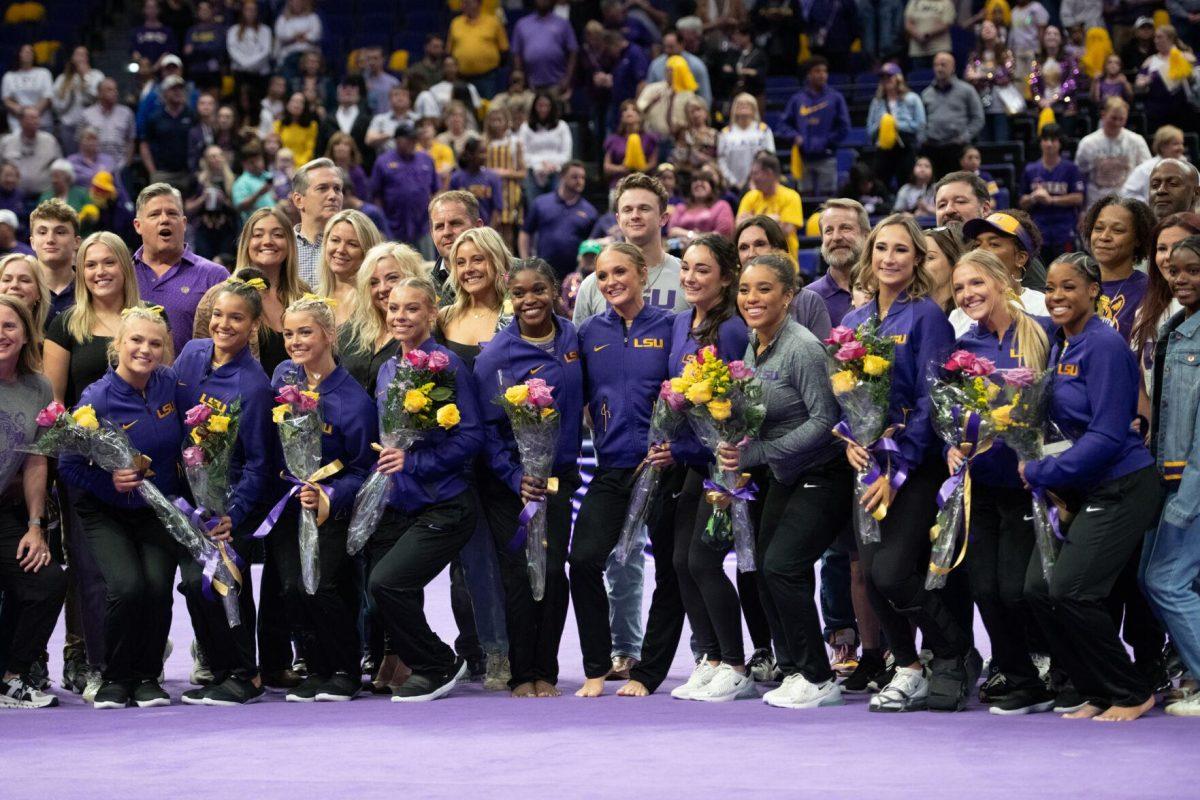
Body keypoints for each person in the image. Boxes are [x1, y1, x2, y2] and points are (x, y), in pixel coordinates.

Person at [1019, 252, 1163, 722]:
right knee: (1040, 590)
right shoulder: (1063, 343)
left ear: (1093, 291)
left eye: (1069, 288)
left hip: (1122, 485)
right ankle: (1097, 688)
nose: (1057, 296)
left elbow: (1106, 434)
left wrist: (1041, 473)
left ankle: (1130, 690)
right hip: (1084, 489)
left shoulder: (1103, 345)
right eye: (1052, 288)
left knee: (1072, 591)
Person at [841, 213, 971, 712]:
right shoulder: (854, 322)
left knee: (893, 572)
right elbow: (844, 395)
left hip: (914, 470)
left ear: (917, 258)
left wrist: (897, 471)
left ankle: (954, 647)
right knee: (872, 575)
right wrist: (849, 440)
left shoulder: (927, 317)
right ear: (869, 257)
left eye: (901, 250)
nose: (889, 258)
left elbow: (932, 402)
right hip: (866, 469)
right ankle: (910, 667)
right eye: (881, 249)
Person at [708, 251, 847, 708]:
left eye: (764, 289)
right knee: (764, 569)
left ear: (789, 296)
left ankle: (818, 676)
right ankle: (792, 670)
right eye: (745, 290)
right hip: (783, 477)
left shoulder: (804, 347)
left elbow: (825, 419)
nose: (752, 297)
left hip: (822, 475)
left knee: (783, 567)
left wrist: (762, 451)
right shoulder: (755, 342)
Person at [947, 248, 1056, 713]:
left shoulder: (1044, 333)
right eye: (958, 288)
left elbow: (1064, 408)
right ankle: (1019, 676)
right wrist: (951, 443)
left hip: (1032, 489)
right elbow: (954, 415)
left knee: (1017, 588)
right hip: (982, 488)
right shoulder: (964, 350)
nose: (968, 294)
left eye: (976, 283)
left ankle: (1058, 667)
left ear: (1001, 281)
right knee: (983, 589)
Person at [364, 276, 483, 701]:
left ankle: (438, 663)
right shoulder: (387, 368)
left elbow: (471, 438)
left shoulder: (447, 365)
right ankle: (414, 662)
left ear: (432, 312)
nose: (400, 316)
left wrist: (413, 463)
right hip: (400, 505)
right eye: (394, 308)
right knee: (380, 588)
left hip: (446, 505)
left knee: (386, 583)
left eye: (411, 308)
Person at [58, 306, 181, 709]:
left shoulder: (169, 384)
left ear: (165, 349)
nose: (145, 349)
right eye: (136, 340)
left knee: (159, 587)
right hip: (104, 511)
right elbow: (68, 464)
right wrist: (108, 481)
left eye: (155, 343)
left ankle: (147, 676)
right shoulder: (96, 398)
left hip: (156, 508)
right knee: (127, 587)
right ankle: (114, 675)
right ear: (117, 345)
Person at [649, 235, 753, 702]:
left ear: (726, 277)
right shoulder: (678, 323)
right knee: (679, 561)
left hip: (726, 465)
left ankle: (735, 663)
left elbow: (737, 406)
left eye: (703, 270)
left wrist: (712, 450)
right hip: (693, 461)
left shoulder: (731, 328)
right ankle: (710, 658)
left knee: (703, 561)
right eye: (686, 268)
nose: (690, 277)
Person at [473, 258, 583, 697]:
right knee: (521, 575)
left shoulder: (573, 337)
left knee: (554, 572)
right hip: (511, 488)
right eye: (519, 293)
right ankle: (522, 674)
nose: (529, 300)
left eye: (538, 289)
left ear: (555, 290)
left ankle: (547, 671)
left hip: (559, 478)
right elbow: (486, 429)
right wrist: (515, 476)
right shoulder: (496, 356)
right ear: (509, 298)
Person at [571, 243, 674, 698]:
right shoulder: (588, 332)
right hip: (614, 467)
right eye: (602, 274)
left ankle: (647, 672)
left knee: (674, 569)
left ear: (642, 275)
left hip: (666, 468)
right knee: (583, 560)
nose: (610, 281)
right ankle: (596, 667)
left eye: (620, 272)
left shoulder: (673, 328)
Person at [174, 278, 274, 706]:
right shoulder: (192, 353)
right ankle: (218, 669)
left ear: (252, 325)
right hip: (187, 499)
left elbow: (259, 462)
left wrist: (234, 510)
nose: (223, 324)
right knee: (196, 585)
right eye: (218, 314)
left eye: (236, 317)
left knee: (226, 584)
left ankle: (245, 674)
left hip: (228, 507)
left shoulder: (254, 384)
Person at [269, 295, 374, 702]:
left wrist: (330, 493)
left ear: (329, 335)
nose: (295, 341)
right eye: (289, 334)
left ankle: (345, 669)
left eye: (306, 332)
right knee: (294, 587)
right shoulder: (283, 382)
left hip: (333, 512)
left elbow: (365, 468)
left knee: (327, 587)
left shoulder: (354, 400)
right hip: (289, 506)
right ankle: (315, 667)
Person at [0, 295, 66, 709]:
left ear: (25, 334)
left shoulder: (38, 386)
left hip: (8, 515)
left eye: (9, 326)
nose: (1, 334)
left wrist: (35, 526)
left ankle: (11, 675)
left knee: (46, 581)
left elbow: (36, 462)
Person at [1144, 234, 1200, 717]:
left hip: (1191, 482)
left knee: (1166, 579)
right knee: (1156, 576)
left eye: (1193, 270)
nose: (1180, 278)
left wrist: (1187, 498)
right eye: (1174, 270)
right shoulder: (1177, 327)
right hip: (1167, 474)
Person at [573, 173, 688, 322]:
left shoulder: (687, 278)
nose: (635, 215)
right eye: (627, 210)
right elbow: (579, 343)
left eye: (644, 208)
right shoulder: (594, 284)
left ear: (663, 218)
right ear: (618, 220)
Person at [131, 183, 228, 355]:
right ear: (138, 226)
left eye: (172, 213)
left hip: (195, 381)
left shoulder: (214, 276)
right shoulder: (124, 274)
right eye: (154, 214)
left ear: (183, 223)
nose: (164, 219)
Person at [734, 216, 832, 340]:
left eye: (760, 244)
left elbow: (823, 356)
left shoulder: (808, 302)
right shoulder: (734, 305)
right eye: (743, 247)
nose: (751, 253)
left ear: (779, 250)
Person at [954, 211, 1050, 334]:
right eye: (977, 245)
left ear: (1020, 258)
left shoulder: (1043, 307)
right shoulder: (959, 315)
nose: (980, 251)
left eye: (994, 244)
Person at [1082, 195, 1156, 342]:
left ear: (1138, 239)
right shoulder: (1075, 284)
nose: (1104, 236)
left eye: (1117, 230)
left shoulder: (1149, 291)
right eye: (1098, 228)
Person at [778, 58, 849, 196]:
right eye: (817, 71)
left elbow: (844, 127)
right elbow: (783, 125)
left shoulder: (835, 98)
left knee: (827, 201)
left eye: (824, 71)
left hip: (827, 157)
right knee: (805, 199)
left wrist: (828, 141)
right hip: (803, 158)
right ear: (809, 74)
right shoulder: (797, 99)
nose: (822, 75)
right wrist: (795, 136)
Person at [370, 120, 439, 258]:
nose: (412, 142)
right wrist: (382, 224)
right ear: (397, 140)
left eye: (414, 139)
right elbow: (375, 195)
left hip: (423, 226)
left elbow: (435, 191)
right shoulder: (383, 161)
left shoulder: (426, 159)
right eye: (408, 139)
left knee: (427, 269)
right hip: (393, 227)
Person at [520, 161, 599, 280]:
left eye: (583, 177)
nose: (580, 181)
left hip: (576, 276)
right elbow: (525, 233)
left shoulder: (590, 211)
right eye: (575, 177)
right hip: (543, 273)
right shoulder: (541, 203)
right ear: (562, 176)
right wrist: (525, 262)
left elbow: (594, 243)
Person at [1020, 124, 1086, 262]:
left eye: (1053, 140)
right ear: (1040, 142)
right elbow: (1021, 202)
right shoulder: (1030, 169)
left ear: (1060, 143)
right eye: (1045, 139)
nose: (1049, 144)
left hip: (1065, 230)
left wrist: (1051, 200)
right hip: (1039, 231)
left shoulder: (1071, 169)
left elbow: (1078, 198)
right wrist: (1033, 197)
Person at [1075, 98, 1152, 210]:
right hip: (1096, 203)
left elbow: (1147, 172)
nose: (1117, 123)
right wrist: (1081, 210)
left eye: (1121, 119)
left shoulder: (1136, 141)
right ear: (1103, 114)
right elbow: (1080, 176)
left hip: (1128, 203)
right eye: (1113, 118)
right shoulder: (1088, 143)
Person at [921, 53, 986, 179]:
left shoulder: (967, 90)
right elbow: (921, 120)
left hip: (958, 148)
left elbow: (978, 118)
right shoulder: (926, 93)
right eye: (936, 65)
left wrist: (965, 137)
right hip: (933, 148)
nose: (939, 68)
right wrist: (923, 137)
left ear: (953, 67)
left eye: (943, 65)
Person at [316, 209, 383, 326]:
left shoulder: (377, 299)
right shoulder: (313, 297)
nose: (341, 250)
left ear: (367, 251)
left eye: (352, 244)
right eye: (335, 240)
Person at [735, 152, 804, 260]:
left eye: (756, 173)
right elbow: (739, 227)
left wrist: (752, 219)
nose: (752, 178)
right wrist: (773, 219)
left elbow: (784, 231)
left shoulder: (791, 196)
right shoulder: (749, 197)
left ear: (769, 173)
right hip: (752, 261)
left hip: (784, 263)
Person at [290, 157, 345, 286]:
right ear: (298, 200)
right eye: (322, 188)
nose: (333, 196)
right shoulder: (283, 247)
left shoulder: (354, 246)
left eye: (337, 189)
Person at [1134, 25, 1197, 133]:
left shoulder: (1187, 57)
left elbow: (1196, 81)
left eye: (1159, 37)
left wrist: (1190, 75)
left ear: (1170, 38)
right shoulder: (1150, 61)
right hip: (1157, 111)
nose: (1155, 40)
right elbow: (1138, 85)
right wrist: (1142, 83)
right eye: (1155, 37)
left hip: (1182, 110)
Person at [29, 199, 81, 326]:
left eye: (60, 232)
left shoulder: (91, 287)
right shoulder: (20, 288)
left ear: (76, 242)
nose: (50, 239)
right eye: (42, 232)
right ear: (32, 242)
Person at [965, 21, 1018, 143]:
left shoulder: (1005, 53)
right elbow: (969, 76)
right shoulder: (975, 55)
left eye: (991, 26)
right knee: (984, 143)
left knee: (1001, 141)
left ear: (997, 31)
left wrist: (981, 75)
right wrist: (987, 76)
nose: (987, 29)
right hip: (981, 103)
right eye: (984, 27)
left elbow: (1007, 75)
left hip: (1001, 104)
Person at [511, 0, 578, 96]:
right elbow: (516, 53)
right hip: (530, 86)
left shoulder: (563, 24)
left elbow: (573, 52)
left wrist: (567, 79)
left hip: (556, 85)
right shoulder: (522, 24)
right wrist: (520, 80)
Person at [141, 76, 197, 187]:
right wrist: (152, 171)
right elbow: (144, 144)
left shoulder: (192, 115)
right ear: (164, 93)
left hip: (187, 173)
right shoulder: (155, 117)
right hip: (162, 174)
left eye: (180, 89)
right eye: (173, 89)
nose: (178, 92)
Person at [185, 146, 239, 261]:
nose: (216, 159)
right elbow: (187, 209)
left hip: (226, 229)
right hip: (203, 229)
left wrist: (223, 201)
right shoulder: (197, 180)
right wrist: (203, 199)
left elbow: (238, 208)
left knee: (225, 264)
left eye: (219, 155)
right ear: (205, 160)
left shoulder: (233, 180)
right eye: (212, 156)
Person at [447, 0, 509, 98]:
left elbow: (504, 49)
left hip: (487, 77)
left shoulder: (493, 22)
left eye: (468, 2)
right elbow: (449, 50)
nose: (464, 5)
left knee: (487, 107)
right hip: (461, 77)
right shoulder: (456, 23)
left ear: (479, 3)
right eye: (463, 2)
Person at [717, 93, 774, 195]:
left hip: (758, 184)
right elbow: (721, 161)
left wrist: (754, 179)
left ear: (754, 108)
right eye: (740, 104)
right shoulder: (725, 133)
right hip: (731, 186)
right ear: (734, 108)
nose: (743, 106)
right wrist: (733, 182)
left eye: (747, 104)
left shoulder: (763, 130)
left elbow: (770, 157)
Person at [0, 107, 62, 199]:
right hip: (12, 196)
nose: (35, 121)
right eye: (31, 118)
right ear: (20, 121)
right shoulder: (7, 142)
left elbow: (59, 167)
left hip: (44, 196)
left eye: (37, 118)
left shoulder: (50, 140)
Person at [51, 46, 103, 152]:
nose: (80, 58)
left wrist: (85, 77)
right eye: (77, 55)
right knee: (71, 158)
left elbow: (96, 99)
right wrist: (70, 96)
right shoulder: (62, 79)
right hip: (68, 126)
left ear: (87, 58)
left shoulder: (96, 75)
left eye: (83, 55)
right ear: (72, 58)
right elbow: (56, 106)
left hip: (90, 126)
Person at [1120, 125, 1188, 206]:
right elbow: (1127, 193)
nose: (1181, 148)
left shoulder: (1186, 166)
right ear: (1163, 146)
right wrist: (1147, 203)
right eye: (1176, 144)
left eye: (1181, 143)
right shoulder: (1146, 168)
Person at [226, 0, 272, 117]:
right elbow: (232, 50)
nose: (250, 13)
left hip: (259, 75)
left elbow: (265, 51)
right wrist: (245, 64)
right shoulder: (233, 30)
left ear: (257, 12)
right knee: (240, 103)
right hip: (240, 74)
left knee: (258, 104)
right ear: (242, 11)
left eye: (253, 10)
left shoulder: (265, 30)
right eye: (247, 9)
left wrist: (249, 64)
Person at [645, 29, 714, 106]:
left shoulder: (696, 66)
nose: (667, 50)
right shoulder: (656, 65)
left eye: (671, 47)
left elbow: (705, 97)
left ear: (681, 45)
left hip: (688, 111)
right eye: (665, 47)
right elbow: (648, 94)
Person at [80, 79, 136, 171]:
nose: (115, 93)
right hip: (94, 168)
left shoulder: (126, 113)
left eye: (115, 89)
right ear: (99, 93)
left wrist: (127, 163)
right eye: (109, 90)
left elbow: (131, 140)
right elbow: (80, 142)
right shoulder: (86, 115)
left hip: (120, 166)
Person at [448, 137, 505, 228]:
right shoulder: (456, 178)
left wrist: (487, 233)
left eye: (485, 152)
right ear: (470, 154)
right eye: (481, 153)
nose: (485, 156)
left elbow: (497, 210)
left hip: (485, 231)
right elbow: (451, 208)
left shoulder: (493, 178)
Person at [315, 77, 371, 168]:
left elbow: (369, 152)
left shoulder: (367, 120)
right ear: (337, 93)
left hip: (359, 172)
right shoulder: (327, 120)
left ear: (358, 93)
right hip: (331, 170)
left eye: (352, 87)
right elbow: (319, 149)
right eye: (344, 87)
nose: (348, 90)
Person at [668, 166, 734, 240]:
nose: (698, 183)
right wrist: (691, 234)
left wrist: (697, 238)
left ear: (711, 187)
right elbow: (672, 231)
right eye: (695, 181)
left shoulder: (721, 206)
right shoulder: (681, 207)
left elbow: (723, 234)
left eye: (703, 180)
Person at [603, 101, 659, 187]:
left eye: (633, 109)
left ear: (640, 116)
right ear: (621, 117)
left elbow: (653, 163)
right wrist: (622, 169)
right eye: (625, 110)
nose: (629, 112)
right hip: (619, 184)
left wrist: (640, 170)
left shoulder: (649, 139)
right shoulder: (613, 139)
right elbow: (607, 166)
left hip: (643, 184)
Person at [2, 44, 53, 133]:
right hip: (17, 124)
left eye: (30, 52)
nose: (28, 54)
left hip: (42, 123)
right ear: (19, 54)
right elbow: (6, 100)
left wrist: (32, 115)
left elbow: (47, 97)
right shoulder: (9, 76)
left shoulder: (44, 73)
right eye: (25, 52)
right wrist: (22, 113)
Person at [0, 254, 50, 333]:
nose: (14, 285)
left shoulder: (51, 339)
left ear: (39, 292)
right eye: (7, 280)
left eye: (24, 280)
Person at [366, 86, 418, 158]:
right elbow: (369, 140)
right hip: (387, 161)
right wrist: (393, 134)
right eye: (396, 95)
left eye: (404, 95)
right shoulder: (380, 119)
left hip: (413, 160)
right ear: (390, 100)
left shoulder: (417, 119)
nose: (400, 98)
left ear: (409, 100)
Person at [925, 222, 965, 312]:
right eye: (918, 258)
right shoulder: (909, 310)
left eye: (929, 258)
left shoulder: (970, 312)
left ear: (953, 262)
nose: (920, 264)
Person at [273, 93, 318, 166]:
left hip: (302, 165)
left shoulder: (312, 126)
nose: (297, 105)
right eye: (293, 101)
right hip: (281, 164)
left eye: (300, 102)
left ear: (305, 107)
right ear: (287, 104)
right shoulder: (278, 125)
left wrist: (297, 164)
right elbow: (276, 148)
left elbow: (309, 151)